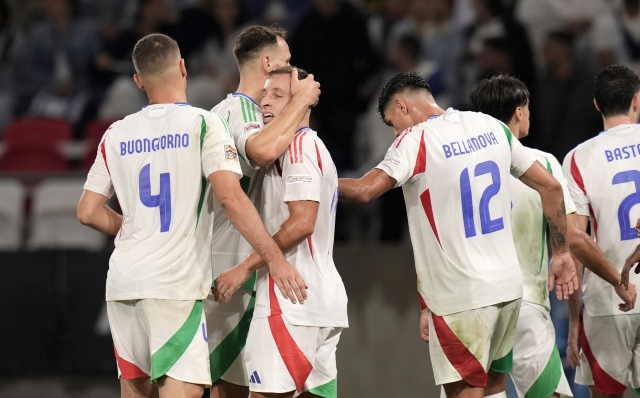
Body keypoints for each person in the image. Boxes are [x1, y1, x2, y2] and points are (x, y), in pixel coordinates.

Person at [76, 33, 305, 398]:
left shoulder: (115, 133)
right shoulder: (203, 123)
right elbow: (231, 198)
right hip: (173, 285)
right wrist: (274, 259)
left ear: (138, 81)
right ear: (183, 68)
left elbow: (87, 211)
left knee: (134, 391)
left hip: (122, 285)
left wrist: (133, 228)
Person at [337, 72, 578, 398]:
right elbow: (550, 188)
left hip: (461, 299)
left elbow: (365, 190)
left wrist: (318, 179)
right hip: (508, 291)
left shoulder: (416, 140)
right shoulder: (490, 126)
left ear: (402, 105)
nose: (395, 133)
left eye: (393, 123)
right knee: (494, 390)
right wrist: (562, 254)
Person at [470, 75, 636, 398]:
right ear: (519, 112)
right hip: (524, 305)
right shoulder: (544, 164)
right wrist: (576, 314)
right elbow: (571, 245)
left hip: (473, 306)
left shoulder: (458, 165)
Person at [213, 66, 347, 398]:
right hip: (317, 299)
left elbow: (302, 222)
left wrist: (243, 266)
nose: (266, 103)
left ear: (301, 101)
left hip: (289, 299)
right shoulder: (309, 148)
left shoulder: (298, 148)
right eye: (264, 95)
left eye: (278, 95)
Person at [206, 25, 321, 398]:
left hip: (234, 263)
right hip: (230, 265)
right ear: (268, 62)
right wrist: (302, 102)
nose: (292, 69)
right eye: (286, 62)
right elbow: (261, 150)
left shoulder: (226, 110)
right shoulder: (242, 110)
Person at [563, 65, 640, 397]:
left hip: (609, 301)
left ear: (596, 104)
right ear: (637, 101)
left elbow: (576, 243)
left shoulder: (578, 159)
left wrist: (574, 323)